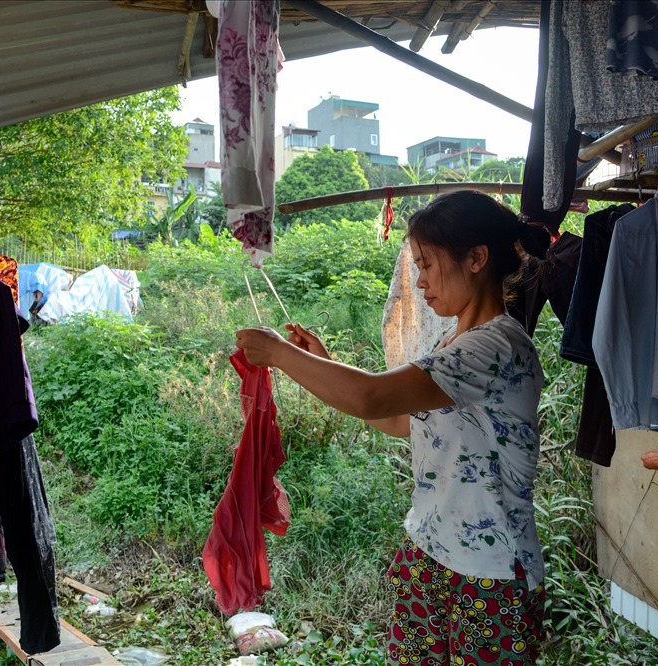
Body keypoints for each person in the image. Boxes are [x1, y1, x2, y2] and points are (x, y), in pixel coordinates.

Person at [235, 190, 551, 665]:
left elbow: (372, 395)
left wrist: (280, 353)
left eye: (426, 264)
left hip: (491, 577)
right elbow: (399, 420)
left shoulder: (496, 348)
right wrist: (323, 362)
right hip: (430, 552)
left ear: (476, 259)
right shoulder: (453, 340)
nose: (419, 281)